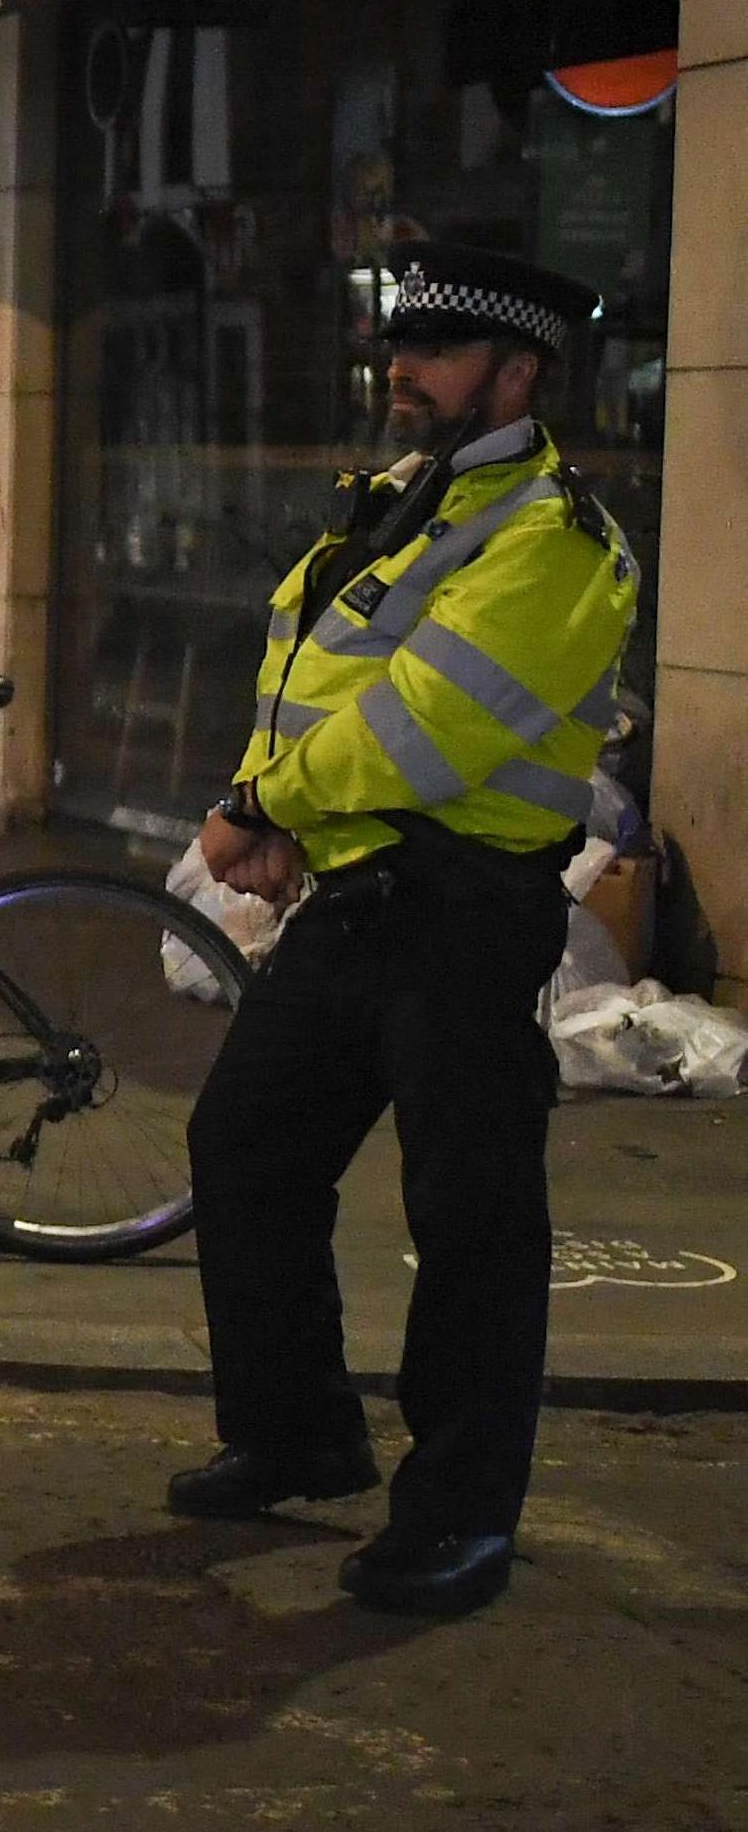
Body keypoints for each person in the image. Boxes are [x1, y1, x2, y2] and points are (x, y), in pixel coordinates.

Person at [168, 245, 640, 1620]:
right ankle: (299, 1432)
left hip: (465, 909)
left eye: (435, 350)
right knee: (242, 1145)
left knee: (469, 1212)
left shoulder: (553, 539)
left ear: (518, 371)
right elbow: (306, 682)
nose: (402, 370)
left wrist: (259, 805)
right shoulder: (394, 507)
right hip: (355, 897)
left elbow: (427, 724)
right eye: (399, 344)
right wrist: (281, 817)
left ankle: (459, 1512)